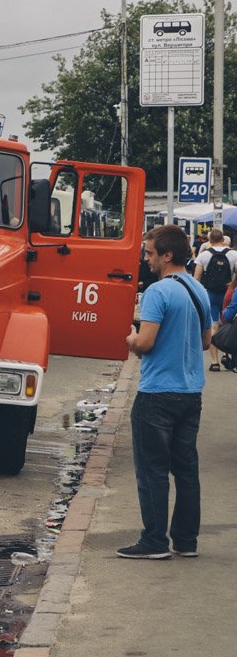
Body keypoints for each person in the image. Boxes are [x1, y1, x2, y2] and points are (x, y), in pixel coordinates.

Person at [122, 224, 210, 559]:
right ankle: (186, 541)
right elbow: (205, 341)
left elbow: (145, 343)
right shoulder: (198, 290)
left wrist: (131, 338)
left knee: (152, 470)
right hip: (191, 393)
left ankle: (154, 540)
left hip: (156, 394)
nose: (147, 259)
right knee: (186, 470)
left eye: (149, 253)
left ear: (167, 254)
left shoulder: (157, 292)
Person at [192, 228, 237, 371]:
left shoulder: (204, 255)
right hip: (228, 293)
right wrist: (232, 285)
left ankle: (214, 362)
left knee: (213, 326)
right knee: (228, 323)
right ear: (223, 239)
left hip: (210, 293)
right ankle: (226, 355)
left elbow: (197, 278)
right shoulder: (233, 254)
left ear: (209, 240)